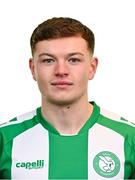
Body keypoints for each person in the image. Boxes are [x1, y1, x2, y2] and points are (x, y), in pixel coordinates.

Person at [0, 17, 135, 180]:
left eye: (73, 60)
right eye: (48, 60)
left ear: (92, 68)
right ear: (33, 68)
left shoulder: (129, 138)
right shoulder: (5, 139)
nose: (61, 70)